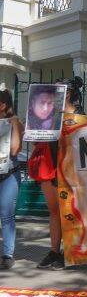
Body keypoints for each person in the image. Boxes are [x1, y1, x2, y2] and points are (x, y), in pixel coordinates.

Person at [31, 77, 85, 270]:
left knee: (69, 212)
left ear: (67, 93)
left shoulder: (79, 114)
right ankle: (54, 252)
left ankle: (71, 252)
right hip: (50, 167)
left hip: (71, 170)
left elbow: (85, 141)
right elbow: (36, 142)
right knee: (54, 212)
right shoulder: (46, 114)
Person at [0, 90, 24, 270]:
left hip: (9, 174)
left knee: (7, 215)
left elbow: (15, 149)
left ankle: (8, 254)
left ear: (3, 105)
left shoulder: (14, 122)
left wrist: (15, 125)